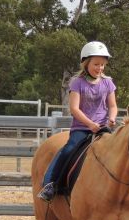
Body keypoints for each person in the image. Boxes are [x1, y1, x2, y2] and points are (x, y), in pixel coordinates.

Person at [37, 41, 118, 201]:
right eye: (96, 64)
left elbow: (113, 106)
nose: (100, 68)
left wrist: (112, 118)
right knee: (68, 149)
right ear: (86, 63)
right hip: (82, 128)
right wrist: (90, 124)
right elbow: (74, 108)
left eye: (102, 65)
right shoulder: (77, 83)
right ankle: (51, 185)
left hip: (103, 127)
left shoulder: (108, 83)